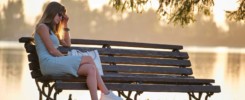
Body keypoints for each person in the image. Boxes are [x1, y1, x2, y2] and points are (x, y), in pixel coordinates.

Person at [33, 2, 123, 100]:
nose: (60, 18)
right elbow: (51, 50)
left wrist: (65, 23)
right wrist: (66, 59)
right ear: (52, 12)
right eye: (59, 15)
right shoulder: (42, 27)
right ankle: (106, 93)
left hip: (56, 63)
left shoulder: (53, 32)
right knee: (88, 59)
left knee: (91, 69)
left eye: (62, 16)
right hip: (48, 64)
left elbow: (67, 44)